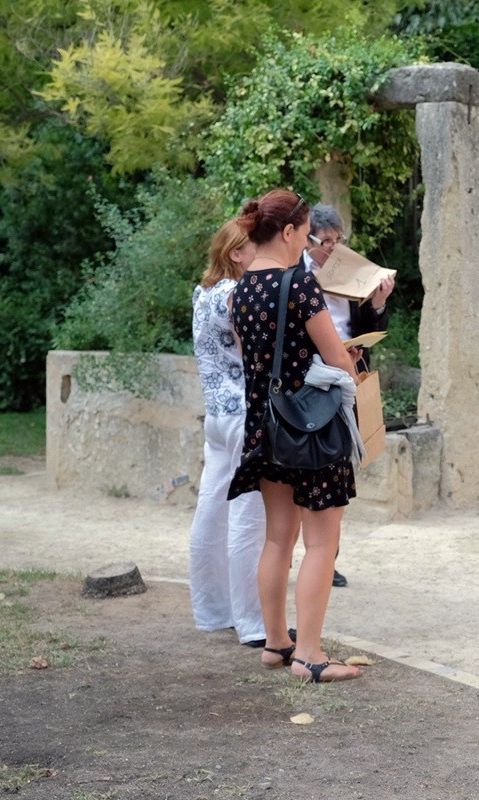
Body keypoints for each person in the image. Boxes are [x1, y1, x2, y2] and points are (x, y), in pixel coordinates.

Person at [227, 189, 361, 684]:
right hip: (311, 428)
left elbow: (253, 360)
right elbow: (337, 358)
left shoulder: (239, 289)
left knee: (276, 539)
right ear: (287, 232)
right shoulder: (300, 285)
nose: (308, 242)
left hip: (265, 427)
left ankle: (276, 642)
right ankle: (309, 654)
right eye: (306, 234)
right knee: (322, 544)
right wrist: (350, 359)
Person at [298, 203, 394, 588]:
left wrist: (379, 302)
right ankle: (303, 556)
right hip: (311, 380)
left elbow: (371, 325)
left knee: (339, 469)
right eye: (326, 241)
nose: (333, 248)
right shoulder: (295, 274)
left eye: (339, 240)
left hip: (349, 377)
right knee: (306, 472)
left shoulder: (352, 270)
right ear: (307, 241)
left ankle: (327, 560)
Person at [188, 220, 267, 648]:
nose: (261, 254)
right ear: (237, 254)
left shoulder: (203, 293)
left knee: (211, 509)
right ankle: (253, 624)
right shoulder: (236, 294)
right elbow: (256, 348)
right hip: (242, 415)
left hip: (216, 415)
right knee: (248, 518)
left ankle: (211, 611)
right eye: (255, 247)